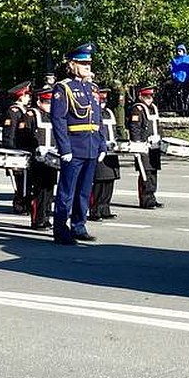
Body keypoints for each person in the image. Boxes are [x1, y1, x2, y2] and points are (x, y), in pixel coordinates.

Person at [51, 43, 106, 244]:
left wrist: (102, 144)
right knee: (67, 191)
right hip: (74, 147)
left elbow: (97, 120)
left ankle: (79, 225)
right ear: (72, 64)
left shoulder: (93, 88)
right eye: (83, 63)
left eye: (89, 63)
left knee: (84, 190)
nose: (87, 67)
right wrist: (64, 147)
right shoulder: (63, 88)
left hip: (91, 145)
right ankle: (60, 229)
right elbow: (59, 119)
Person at [20, 86, 58, 230]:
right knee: (38, 191)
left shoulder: (53, 115)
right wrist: (33, 150)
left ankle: (46, 217)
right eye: (46, 102)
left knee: (49, 189)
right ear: (39, 101)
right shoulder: (31, 114)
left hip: (52, 158)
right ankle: (37, 219)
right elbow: (23, 136)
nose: (49, 105)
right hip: (37, 160)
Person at [127, 85, 164, 209]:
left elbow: (157, 126)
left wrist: (161, 138)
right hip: (143, 146)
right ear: (140, 96)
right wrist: (137, 143)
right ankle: (145, 200)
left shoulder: (153, 108)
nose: (149, 99)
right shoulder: (137, 109)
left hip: (154, 146)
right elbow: (134, 127)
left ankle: (152, 197)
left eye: (151, 96)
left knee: (153, 173)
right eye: (147, 96)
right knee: (145, 173)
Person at [1, 81, 32, 214]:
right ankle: (20, 205)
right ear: (21, 96)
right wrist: (11, 151)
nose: (29, 97)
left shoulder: (24, 110)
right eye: (27, 95)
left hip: (25, 149)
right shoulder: (13, 111)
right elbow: (10, 132)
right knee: (20, 181)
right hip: (18, 150)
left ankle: (25, 203)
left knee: (26, 180)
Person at [89, 87, 120, 220]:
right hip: (99, 150)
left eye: (104, 100)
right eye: (101, 100)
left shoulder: (109, 113)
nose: (103, 103)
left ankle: (105, 208)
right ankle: (95, 210)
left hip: (111, 151)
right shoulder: (92, 113)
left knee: (109, 181)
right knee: (99, 182)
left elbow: (114, 130)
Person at [169, 44, 189, 115]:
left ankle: (186, 110)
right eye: (178, 50)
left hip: (187, 80)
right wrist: (174, 76)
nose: (179, 52)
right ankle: (180, 110)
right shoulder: (174, 60)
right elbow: (172, 69)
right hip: (177, 81)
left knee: (186, 96)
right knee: (178, 96)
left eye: (180, 50)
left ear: (184, 51)